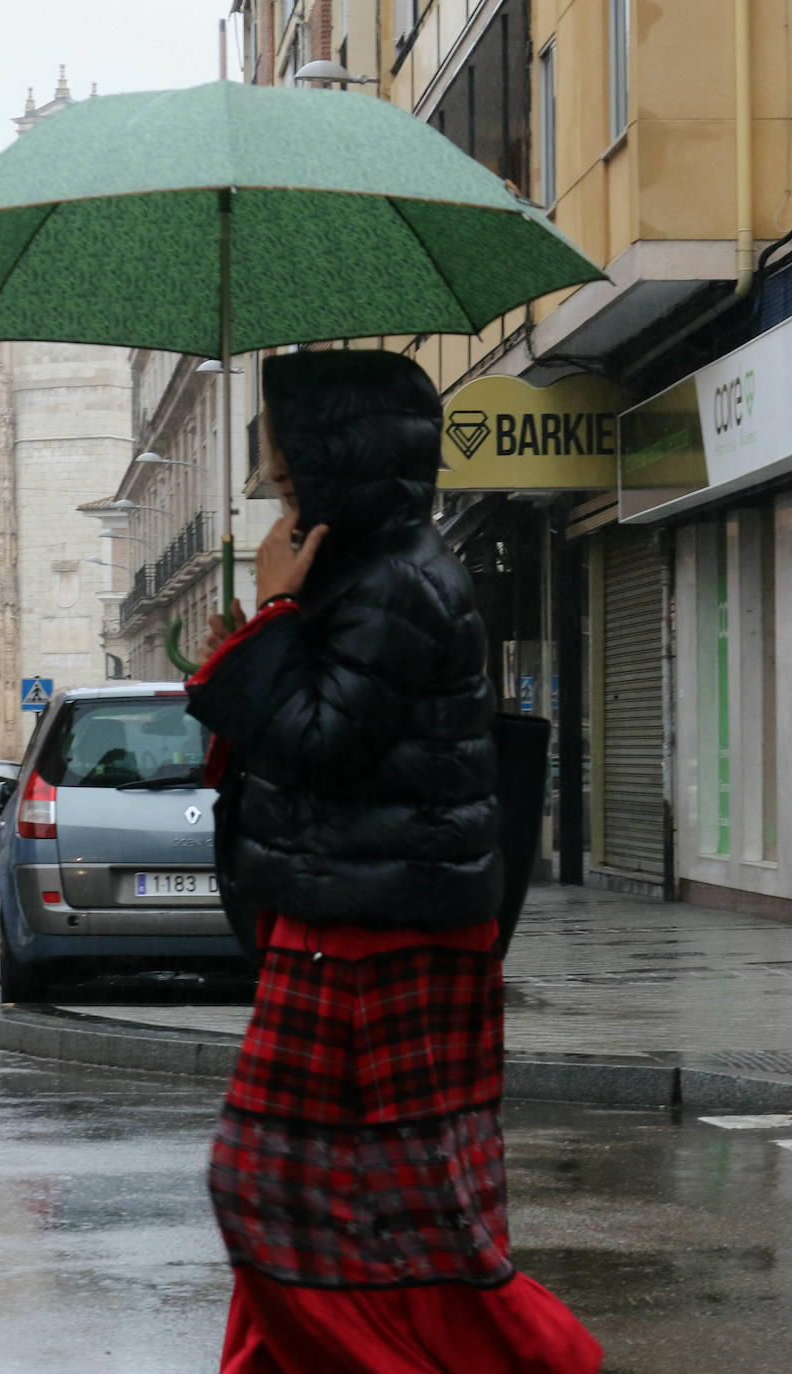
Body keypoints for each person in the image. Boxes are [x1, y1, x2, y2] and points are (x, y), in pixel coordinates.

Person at [186, 350, 602, 1374]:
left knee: (295, 1187)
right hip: (353, 917)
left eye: (292, 473)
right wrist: (266, 632)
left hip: (380, 932)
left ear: (346, 464)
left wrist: (274, 624)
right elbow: (297, 746)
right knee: (372, 1196)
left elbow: (325, 745)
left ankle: (514, 1360)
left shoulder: (399, 585)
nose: (280, 490)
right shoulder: (366, 579)